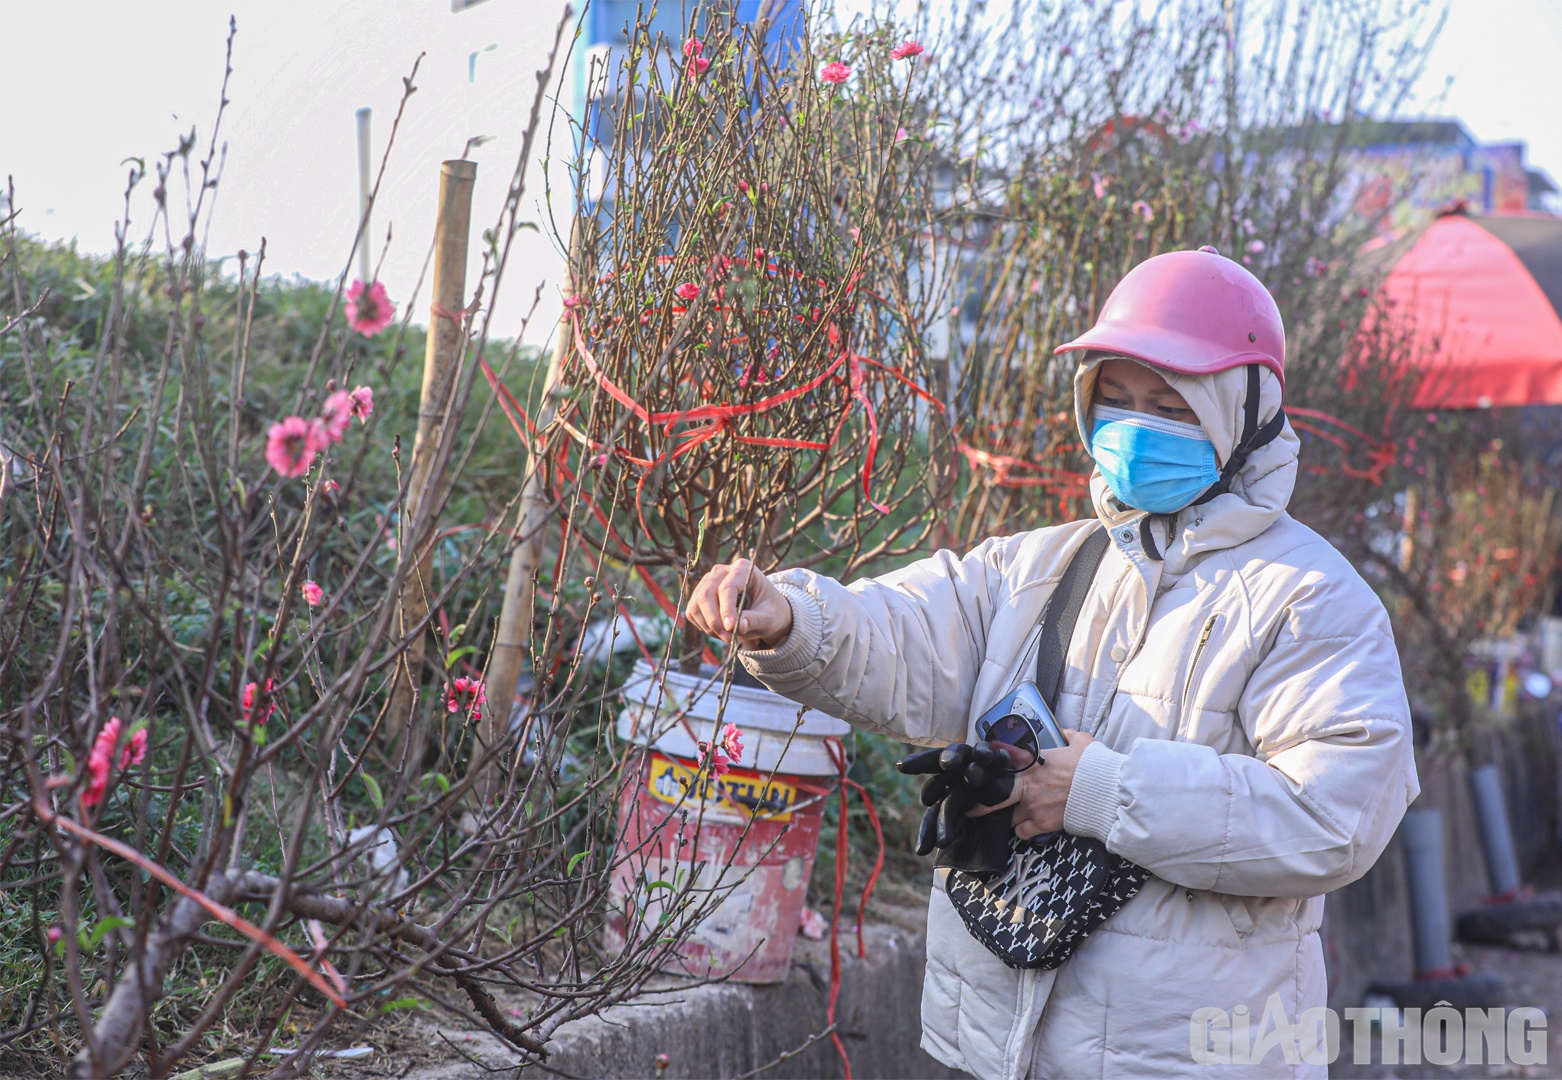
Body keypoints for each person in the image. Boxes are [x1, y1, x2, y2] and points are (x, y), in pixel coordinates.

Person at [685, 247, 1419, 1079]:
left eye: (1171, 404)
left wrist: (1102, 792)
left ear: (1243, 408)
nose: (1135, 426)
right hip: (996, 1047)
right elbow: (905, 632)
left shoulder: (1314, 600)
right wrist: (791, 618)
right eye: (1116, 397)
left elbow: (1331, 819)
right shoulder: (1041, 565)